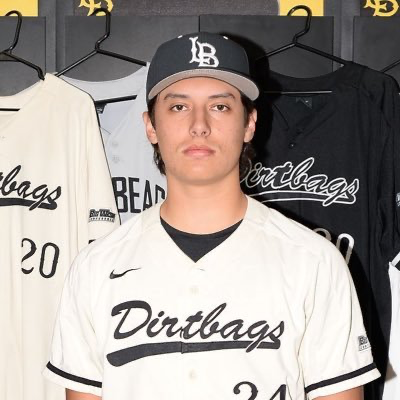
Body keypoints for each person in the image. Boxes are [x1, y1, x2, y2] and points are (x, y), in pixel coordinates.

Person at [43, 32, 380, 400]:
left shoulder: (313, 261)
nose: (199, 125)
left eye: (220, 106)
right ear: (150, 125)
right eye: (178, 107)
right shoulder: (96, 267)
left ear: (249, 124)